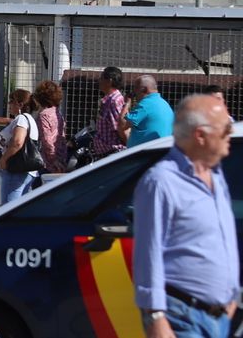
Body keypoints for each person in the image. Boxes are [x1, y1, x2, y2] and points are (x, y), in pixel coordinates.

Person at [133, 94, 238, 338]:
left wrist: (231, 298)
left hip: (218, 317)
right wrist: (155, 317)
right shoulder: (161, 182)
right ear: (200, 135)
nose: (230, 134)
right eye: (226, 128)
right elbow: (148, 254)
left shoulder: (217, 177)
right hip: (181, 317)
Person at [0, 88, 41, 202]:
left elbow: (17, 142)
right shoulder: (31, 120)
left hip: (15, 171)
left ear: (20, 104)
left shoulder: (21, 119)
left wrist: (4, 159)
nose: (9, 104)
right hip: (26, 172)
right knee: (17, 209)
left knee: (7, 210)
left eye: (12, 101)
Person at [122, 74, 175, 148]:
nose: (134, 94)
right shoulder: (165, 104)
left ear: (143, 89)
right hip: (162, 151)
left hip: (146, 155)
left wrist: (127, 103)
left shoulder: (145, 105)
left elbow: (123, 124)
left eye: (135, 90)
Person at [94, 65, 130, 159]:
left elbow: (120, 127)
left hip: (113, 154)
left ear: (109, 81)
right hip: (107, 154)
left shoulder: (115, 101)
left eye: (101, 78)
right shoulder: (108, 100)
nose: (99, 80)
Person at [33, 79, 68, 173]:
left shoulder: (43, 115)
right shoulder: (57, 113)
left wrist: (53, 160)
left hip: (48, 162)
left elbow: (46, 140)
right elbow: (62, 136)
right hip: (61, 156)